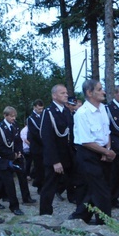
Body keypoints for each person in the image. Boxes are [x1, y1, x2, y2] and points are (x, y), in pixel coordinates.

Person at [71, 78, 115, 224]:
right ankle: (105, 223)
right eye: (99, 89)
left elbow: (106, 131)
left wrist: (107, 149)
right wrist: (106, 152)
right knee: (101, 191)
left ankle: (80, 216)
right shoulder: (82, 113)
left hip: (102, 152)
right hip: (88, 154)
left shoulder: (103, 108)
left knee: (95, 188)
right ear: (89, 93)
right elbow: (86, 140)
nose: (103, 92)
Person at [39, 85, 74, 216]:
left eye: (66, 92)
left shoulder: (66, 111)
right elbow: (47, 138)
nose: (66, 95)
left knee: (77, 181)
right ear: (54, 96)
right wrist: (55, 161)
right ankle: (45, 214)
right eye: (62, 93)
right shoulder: (48, 112)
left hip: (68, 154)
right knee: (49, 186)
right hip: (55, 157)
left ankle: (79, 209)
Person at [0, 106, 25, 216]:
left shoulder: (15, 126)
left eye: (14, 116)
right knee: (9, 183)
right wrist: (12, 155)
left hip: (14, 157)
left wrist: (18, 152)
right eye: (11, 116)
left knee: (2, 182)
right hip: (3, 159)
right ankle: (14, 206)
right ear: (5, 116)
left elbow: (18, 141)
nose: (13, 118)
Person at [27, 99, 45, 192]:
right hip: (37, 146)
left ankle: (40, 183)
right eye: (39, 109)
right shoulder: (31, 119)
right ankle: (39, 187)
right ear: (34, 107)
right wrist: (44, 141)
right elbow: (34, 133)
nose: (40, 111)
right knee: (39, 167)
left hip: (44, 146)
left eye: (42, 109)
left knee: (44, 167)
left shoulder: (43, 116)